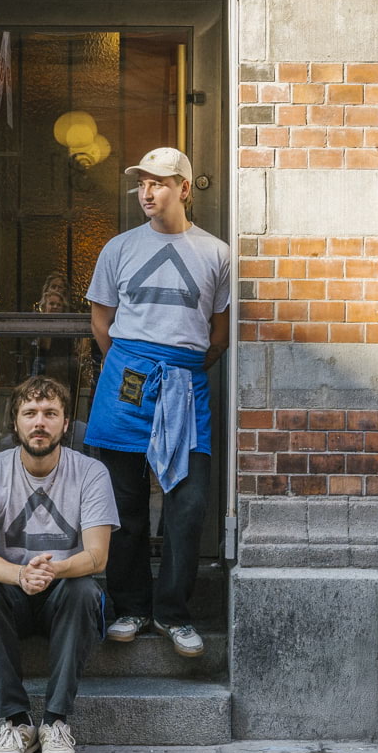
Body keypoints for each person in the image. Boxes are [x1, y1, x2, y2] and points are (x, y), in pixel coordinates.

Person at [84, 147, 231, 659]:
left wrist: (180, 372)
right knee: (124, 505)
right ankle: (130, 608)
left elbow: (219, 333)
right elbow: (102, 321)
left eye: (160, 183)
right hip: (125, 377)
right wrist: (130, 365)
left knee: (187, 505)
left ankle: (173, 613)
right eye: (142, 183)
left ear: (185, 189)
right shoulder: (118, 249)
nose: (147, 192)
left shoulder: (216, 254)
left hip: (185, 383)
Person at [0, 375, 118, 753]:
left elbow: (98, 557)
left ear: (67, 424)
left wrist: (54, 570)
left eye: (50, 413)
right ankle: (16, 722)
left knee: (86, 591)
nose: (39, 422)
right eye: (30, 413)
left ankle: (55, 722)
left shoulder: (91, 473)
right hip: (10, 595)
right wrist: (19, 575)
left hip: (62, 596)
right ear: (15, 422)